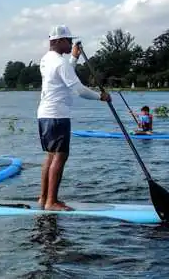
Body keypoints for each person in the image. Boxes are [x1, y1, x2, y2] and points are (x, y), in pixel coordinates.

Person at [37, 25, 111, 211]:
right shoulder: (60, 63)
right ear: (59, 41)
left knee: (50, 156)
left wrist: (74, 58)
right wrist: (100, 97)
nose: (71, 43)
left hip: (45, 114)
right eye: (69, 41)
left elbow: (65, 73)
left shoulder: (47, 59)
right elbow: (78, 90)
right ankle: (52, 202)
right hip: (57, 115)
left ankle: (43, 199)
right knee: (60, 157)